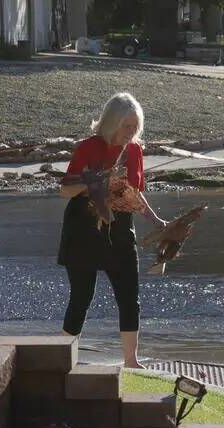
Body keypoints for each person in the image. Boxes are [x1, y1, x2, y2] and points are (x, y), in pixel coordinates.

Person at [57, 93, 167, 367]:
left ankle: (131, 360)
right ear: (111, 123)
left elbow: (135, 195)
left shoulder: (135, 151)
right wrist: (92, 181)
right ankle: (60, 359)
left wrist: (157, 222)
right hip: (83, 226)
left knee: (129, 295)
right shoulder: (89, 147)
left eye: (135, 127)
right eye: (126, 126)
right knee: (82, 297)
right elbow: (65, 190)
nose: (131, 133)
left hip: (120, 227)